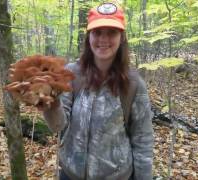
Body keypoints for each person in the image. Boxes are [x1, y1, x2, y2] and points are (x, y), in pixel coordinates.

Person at [41, 2, 154, 180]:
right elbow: (58, 126)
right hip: (71, 174)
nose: (103, 39)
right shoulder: (71, 73)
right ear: (89, 36)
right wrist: (51, 104)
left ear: (121, 38)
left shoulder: (133, 83)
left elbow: (143, 139)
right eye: (97, 32)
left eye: (112, 32)